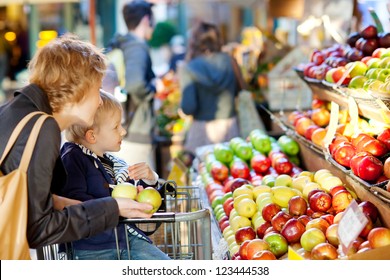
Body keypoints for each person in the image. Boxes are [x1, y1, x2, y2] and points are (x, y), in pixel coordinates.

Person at [0, 34, 153, 254]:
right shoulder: (43, 127)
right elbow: (40, 229)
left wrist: (93, 206)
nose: (100, 100)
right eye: (97, 89)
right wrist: (113, 208)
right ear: (77, 89)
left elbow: (27, 195)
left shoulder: (16, 109)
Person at [60, 90, 170, 260]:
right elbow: (75, 207)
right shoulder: (72, 159)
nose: (123, 131)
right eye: (116, 126)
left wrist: (150, 181)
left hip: (126, 239)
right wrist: (115, 206)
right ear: (92, 135)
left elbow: (138, 200)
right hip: (92, 250)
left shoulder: (112, 162)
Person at [105, 0, 157, 169]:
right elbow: (136, 85)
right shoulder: (137, 47)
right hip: (136, 131)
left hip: (125, 127)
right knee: (143, 189)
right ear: (146, 20)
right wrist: (154, 88)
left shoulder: (121, 43)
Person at [179, 21, 240, 154]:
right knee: (232, 169)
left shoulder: (190, 67)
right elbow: (240, 90)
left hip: (202, 129)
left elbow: (188, 107)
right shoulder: (230, 61)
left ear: (194, 41)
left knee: (203, 170)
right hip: (229, 127)